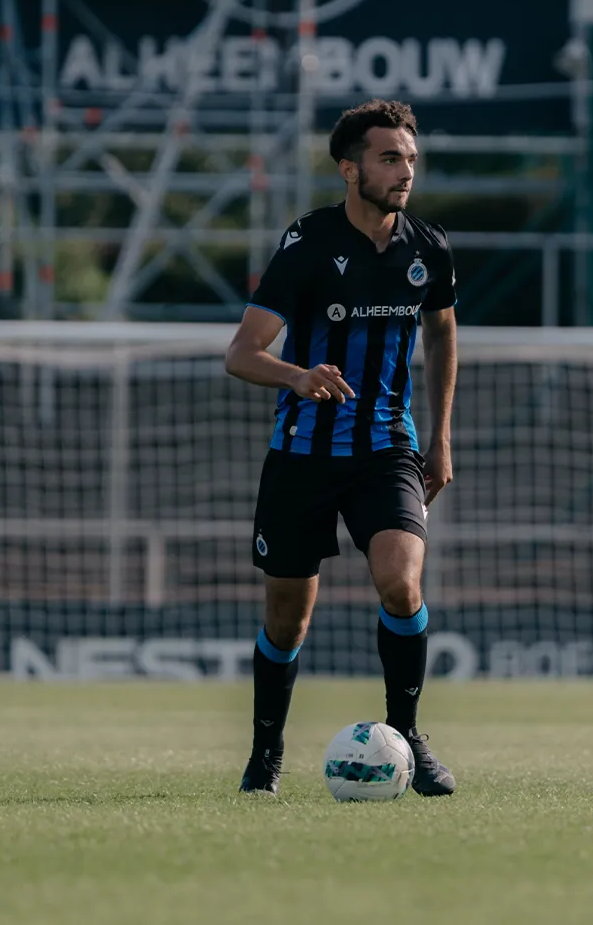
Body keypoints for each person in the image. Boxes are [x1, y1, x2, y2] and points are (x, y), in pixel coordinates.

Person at [223, 98, 459, 797]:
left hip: (387, 447)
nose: (404, 171)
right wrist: (300, 376)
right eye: (390, 158)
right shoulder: (308, 245)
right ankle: (266, 751)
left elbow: (443, 334)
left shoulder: (428, 247)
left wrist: (441, 437)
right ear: (349, 169)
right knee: (287, 618)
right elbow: (241, 353)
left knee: (402, 580)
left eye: (411, 159)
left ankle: (406, 734)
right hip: (301, 453)